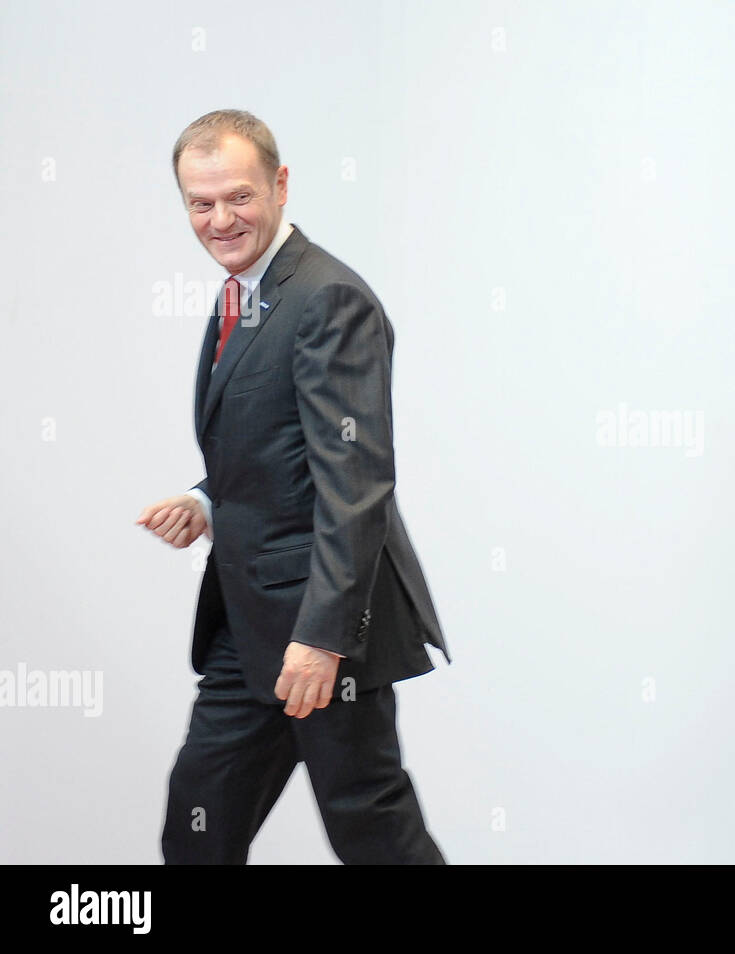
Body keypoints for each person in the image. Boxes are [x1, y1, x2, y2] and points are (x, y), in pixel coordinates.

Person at [136, 109, 450, 864]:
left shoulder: (327, 299)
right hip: (249, 632)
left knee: (374, 834)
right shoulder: (245, 291)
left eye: (238, 197)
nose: (220, 219)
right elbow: (282, 445)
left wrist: (319, 638)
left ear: (279, 185)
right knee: (197, 829)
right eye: (200, 203)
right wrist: (207, 500)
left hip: (319, 634)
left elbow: (356, 483)